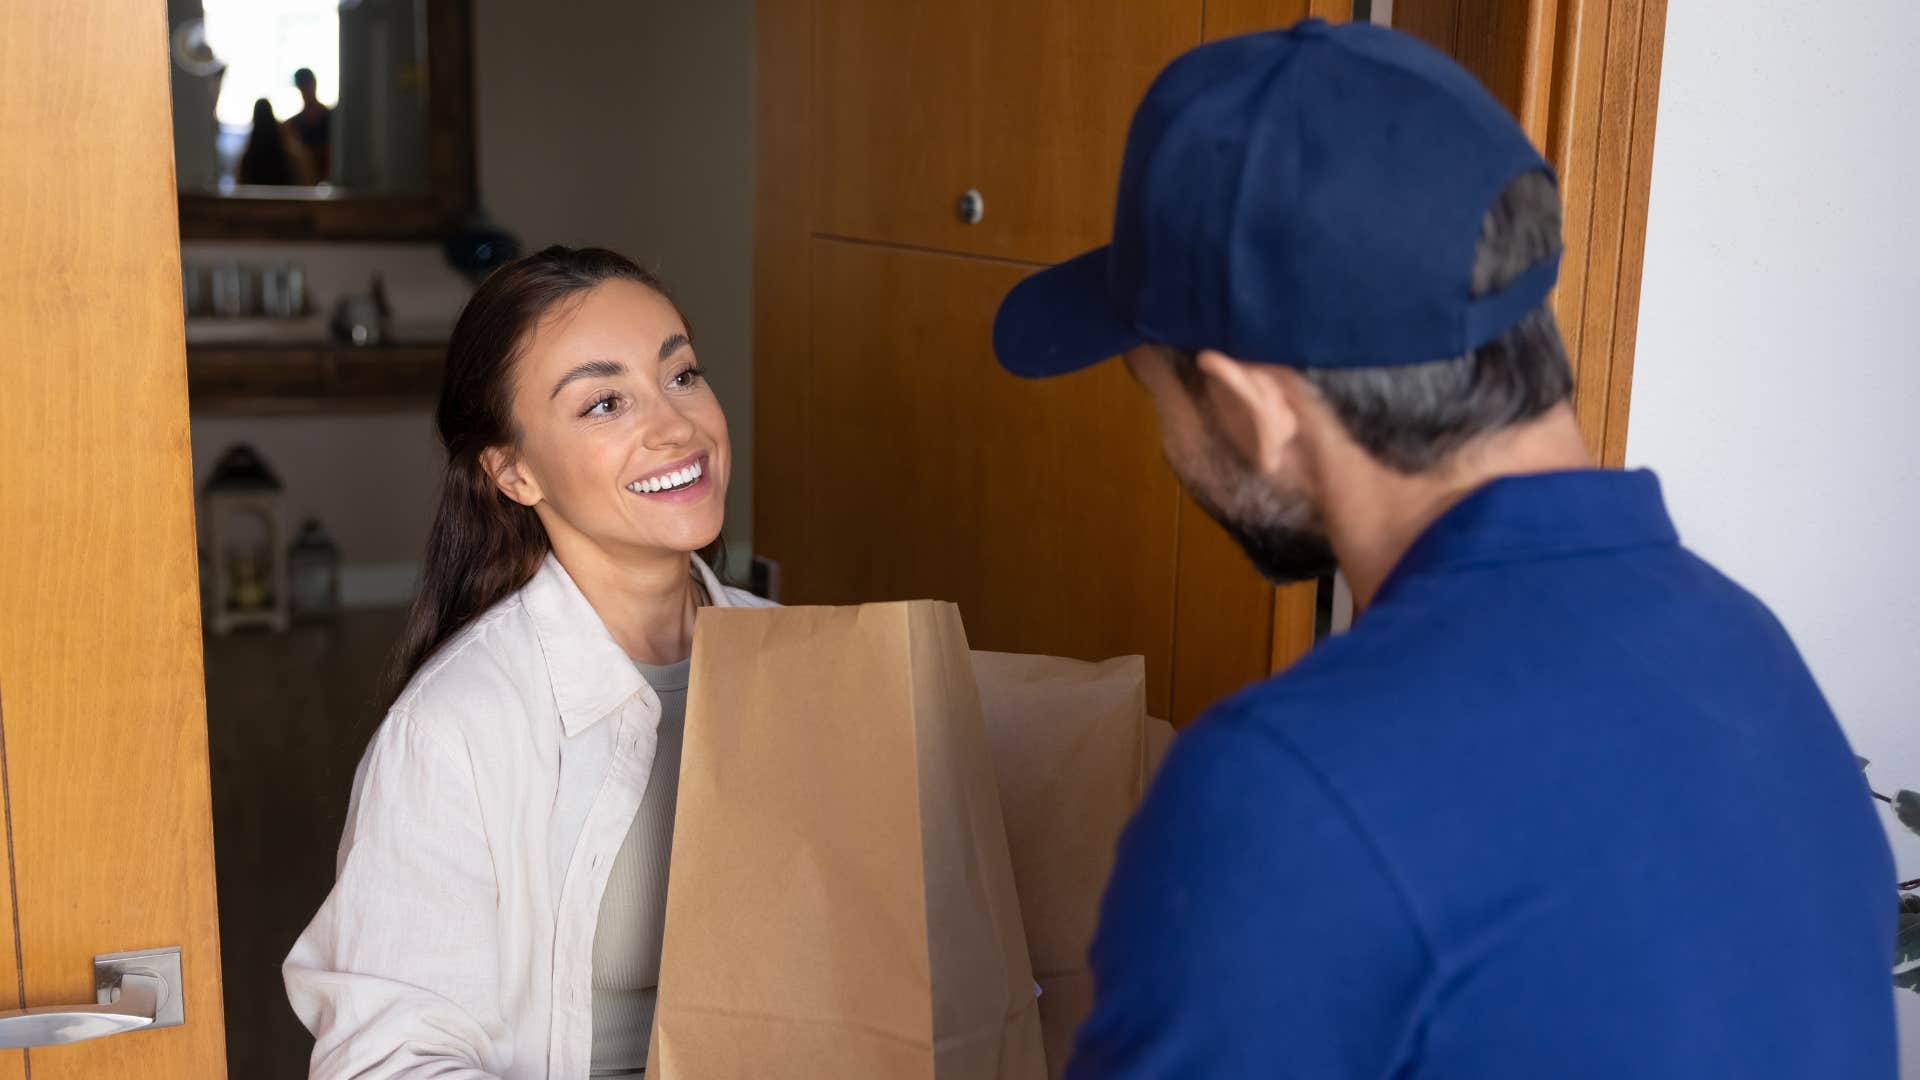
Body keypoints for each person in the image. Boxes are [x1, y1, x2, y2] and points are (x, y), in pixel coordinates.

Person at [992, 19, 1895, 1079]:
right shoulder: (1748, 658)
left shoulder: (1290, 791)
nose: (1165, 439)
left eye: (1151, 388)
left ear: (1254, 406)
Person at [284, 246, 771, 1078]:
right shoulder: (454, 730)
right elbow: (388, 1063)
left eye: (682, 375)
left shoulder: (804, 666)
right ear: (513, 473)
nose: (675, 426)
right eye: (605, 403)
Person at [235, 96, 300, 186]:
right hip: (282, 199)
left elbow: (239, 186)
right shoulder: (288, 157)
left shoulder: (247, 158)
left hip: (255, 199)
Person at [285, 67, 332, 181]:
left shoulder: (331, 118)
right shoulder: (293, 123)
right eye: (303, 86)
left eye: (307, 85)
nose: (306, 90)